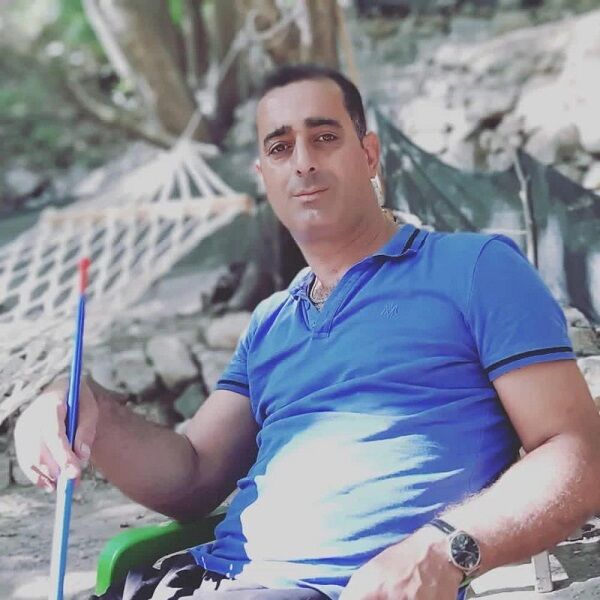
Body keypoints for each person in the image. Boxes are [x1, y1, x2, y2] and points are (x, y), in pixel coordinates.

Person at [14, 64, 600, 600]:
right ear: (263, 176)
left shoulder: (475, 269)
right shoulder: (272, 320)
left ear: (369, 154)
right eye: (280, 147)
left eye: (324, 137)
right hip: (204, 582)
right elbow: (190, 475)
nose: (302, 162)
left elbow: (579, 454)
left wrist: (445, 549)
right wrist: (79, 399)